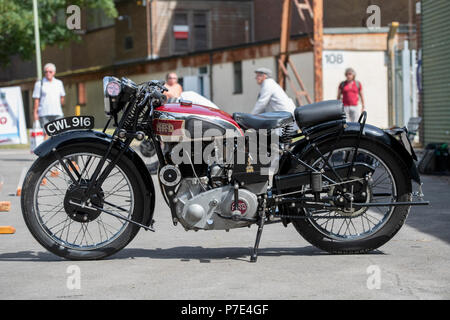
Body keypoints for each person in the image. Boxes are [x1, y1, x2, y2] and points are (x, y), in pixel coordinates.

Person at [32, 63, 65, 129]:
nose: (48, 73)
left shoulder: (59, 83)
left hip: (57, 113)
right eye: (46, 72)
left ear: (54, 72)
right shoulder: (39, 84)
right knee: (46, 134)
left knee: (60, 133)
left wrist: (60, 106)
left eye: (50, 72)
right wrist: (35, 113)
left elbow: (62, 97)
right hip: (44, 113)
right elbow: (36, 100)